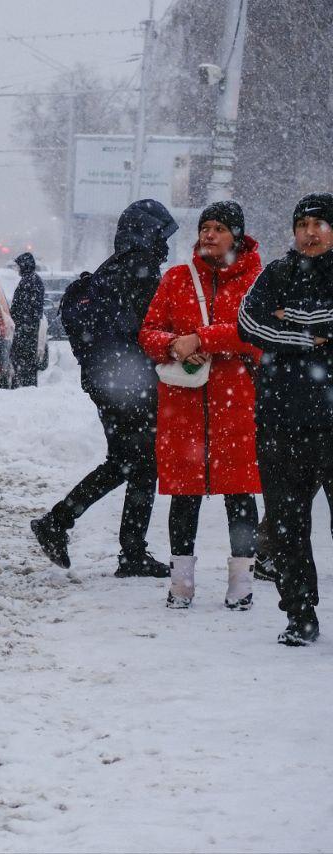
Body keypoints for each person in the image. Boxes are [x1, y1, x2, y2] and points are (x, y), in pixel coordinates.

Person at [31, 199, 178, 578]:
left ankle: (73, 526)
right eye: (162, 235)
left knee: (129, 463)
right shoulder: (140, 273)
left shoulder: (110, 270)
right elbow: (150, 332)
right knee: (139, 465)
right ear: (148, 233)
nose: (165, 245)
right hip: (132, 386)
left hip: (107, 386)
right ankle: (80, 530)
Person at [139, 201, 262, 610]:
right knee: (183, 493)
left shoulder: (257, 281)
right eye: (205, 227)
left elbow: (256, 333)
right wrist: (173, 345)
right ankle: (181, 582)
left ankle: (241, 582)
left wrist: (202, 339)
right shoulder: (176, 279)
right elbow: (149, 333)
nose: (209, 234)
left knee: (241, 492)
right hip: (184, 402)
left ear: (237, 237)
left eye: (219, 228)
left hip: (237, 402)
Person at [237, 192, 333, 645]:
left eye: (319, 224)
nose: (310, 233)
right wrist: (304, 336)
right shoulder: (278, 272)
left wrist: (288, 320)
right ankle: (299, 613)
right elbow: (248, 324)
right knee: (287, 524)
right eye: (302, 225)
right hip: (280, 422)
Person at [10, 252, 46, 387]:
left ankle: (26, 386)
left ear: (25, 266)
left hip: (26, 328)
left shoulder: (29, 281)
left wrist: (17, 319)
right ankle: (27, 385)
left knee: (23, 359)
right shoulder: (33, 280)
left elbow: (23, 307)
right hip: (28, 327)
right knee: (26, 360)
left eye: (19, 266)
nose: (18, 268)